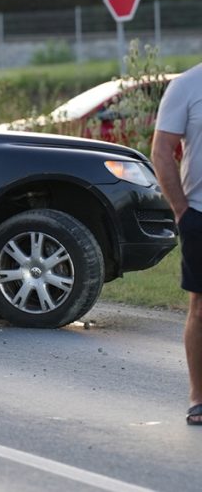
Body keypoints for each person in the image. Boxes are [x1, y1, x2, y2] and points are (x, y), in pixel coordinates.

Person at [152, 61, 202, 425]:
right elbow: (162, 151)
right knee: (200, 308)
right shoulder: (187, 86)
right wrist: (181, 210)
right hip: (200, 214)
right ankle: (199, 396)